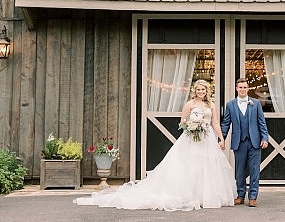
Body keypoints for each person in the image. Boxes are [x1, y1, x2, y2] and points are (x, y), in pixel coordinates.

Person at [74, 79, 236, 211]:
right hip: (191, 137)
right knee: (190, 166)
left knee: (206, 167)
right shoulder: (190, 104)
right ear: (195, 90)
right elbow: (182, 122)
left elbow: (215, 123)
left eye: (204, 90)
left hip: (207, 139)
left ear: (207, 91)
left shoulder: (211, 105)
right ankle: (189, 195)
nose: (201, 92)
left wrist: (221, 138)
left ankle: (205, 196)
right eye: (199, 90)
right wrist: (193, 126)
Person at [221, 77, 269, 207]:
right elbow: (226, 123)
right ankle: (240, 195)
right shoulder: (230, 105)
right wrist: (222, 138)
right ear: (237, 89)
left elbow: (261, 122)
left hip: (255, 142)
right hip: (239, 142)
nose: (242, 89)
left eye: (244, 87)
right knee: (240, 171)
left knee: (254, 170)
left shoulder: (256, 103)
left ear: (248, 89)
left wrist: (265, 138)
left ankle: (253, 197)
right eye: (240, 87)